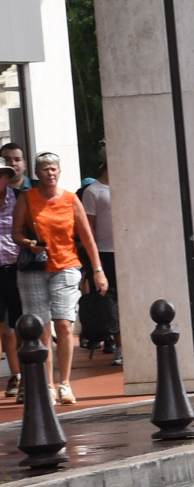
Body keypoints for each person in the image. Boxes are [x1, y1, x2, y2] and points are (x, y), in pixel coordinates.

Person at [11, 152, 108, 405]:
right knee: (42, 329)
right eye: (44, 169)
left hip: (66, 265)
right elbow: (16, 233)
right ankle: (48, 384)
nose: (49, 173)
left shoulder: (71, 199)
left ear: (59, 171)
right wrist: (29, 243)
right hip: (34, 269)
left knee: (64, 324)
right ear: (37, 173)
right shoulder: (26, 198)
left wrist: (98, 270)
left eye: (53, 168)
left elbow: (87, 238)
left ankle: (65, 383)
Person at [80, 150, 121, 365]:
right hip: (105, 254)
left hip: (130, 254)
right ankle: (120, 347)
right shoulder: (93, 191)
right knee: (111, 303)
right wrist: (93, 264)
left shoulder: (128, 186)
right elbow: (89, 229)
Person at [0, 160, 22, 399]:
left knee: (17, 327)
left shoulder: (19, 198)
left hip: (16, 271)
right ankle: (15, 374)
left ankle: (23, 375)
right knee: (4, 331)